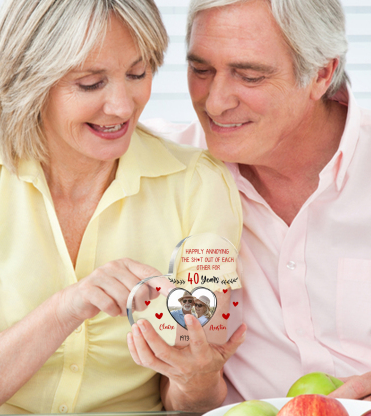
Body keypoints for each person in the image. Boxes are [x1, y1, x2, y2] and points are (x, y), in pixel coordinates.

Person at [0, 0, 245, 413]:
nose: (123, 107)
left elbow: (191, 400)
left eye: (137, 74)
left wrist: (195, 379)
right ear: (29, 80)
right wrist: (66, 309)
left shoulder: (198, 184)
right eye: (91, 83)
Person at [135, 0, 371, 407]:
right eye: (201, 70)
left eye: (249, 76)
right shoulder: (166, 173)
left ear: (321, 73)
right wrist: (194, 380)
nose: (215, 103)